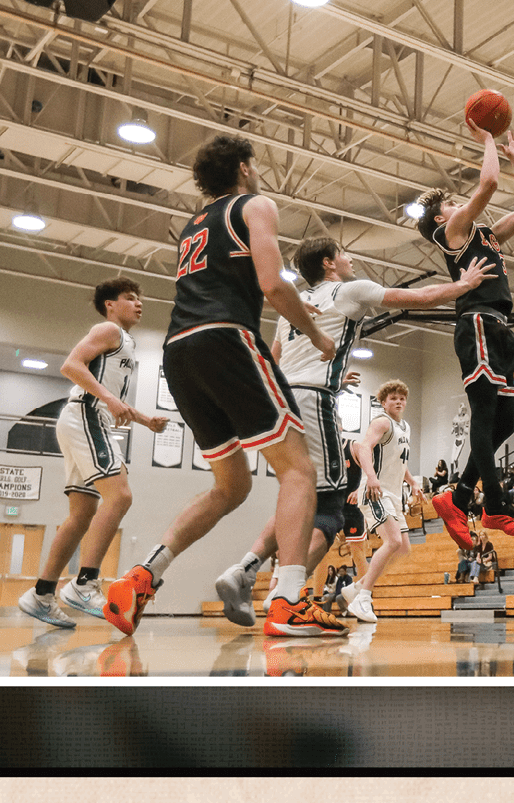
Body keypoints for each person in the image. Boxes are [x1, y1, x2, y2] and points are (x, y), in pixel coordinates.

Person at [101, 133, 346, 640]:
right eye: (254, 163)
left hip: (178, 351)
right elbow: (273, 284)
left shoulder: (193, 225)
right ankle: (289, 602)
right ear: (243, 167)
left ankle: (142, 576)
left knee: (231, 486)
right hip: (226, 337)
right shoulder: (256, 204)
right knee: (300, 471)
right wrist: (318, 333)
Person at [212, 234, 491, 627]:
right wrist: (463, 285)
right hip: (311, 399)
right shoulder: (348, 290)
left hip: (278, 403)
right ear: (329, 263)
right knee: (329, 511)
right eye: (343, 254)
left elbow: (271, 364)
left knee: (297, 498)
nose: (351, 259)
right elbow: (418, 298)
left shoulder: (292, 307)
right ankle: (284, 599)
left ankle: (248, 569)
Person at [415, 123, 514, 546]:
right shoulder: (451, 234)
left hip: (501, 328)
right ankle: (495, 504)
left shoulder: (483, 235)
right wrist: (488, 138)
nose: (458, 204)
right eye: (450, 202)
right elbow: (488, 181)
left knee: (505, 423)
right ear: (440, 217)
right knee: (485, 418)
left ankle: (461, 494)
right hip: (478, 323)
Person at [18, 277, 168, 628]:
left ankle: (41, 593)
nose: (138, 303)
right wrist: (110, 400)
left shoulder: (125, 342)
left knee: (82, 514)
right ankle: (84, 582)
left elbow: (111, 396)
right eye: (130, 298)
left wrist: (146, 420)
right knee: (121, 496)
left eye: (140, 299)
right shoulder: (108, 330)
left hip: (85, 416)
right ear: (110, 305)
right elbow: (71, 365)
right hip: (85, 414)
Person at [339, 380, 423, 622]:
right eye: (393, 398)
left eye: (402, 398)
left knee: (404, 548)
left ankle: (357, 587)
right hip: (375, 491)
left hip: (394, 494)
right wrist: (372, 478)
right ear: (384, 403)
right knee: (393, 541)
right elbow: (365, 448)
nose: (398, 401)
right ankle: (363, 598)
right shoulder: (382, 422)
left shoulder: (404, 427)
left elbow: (400, 461)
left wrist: (413, 482)